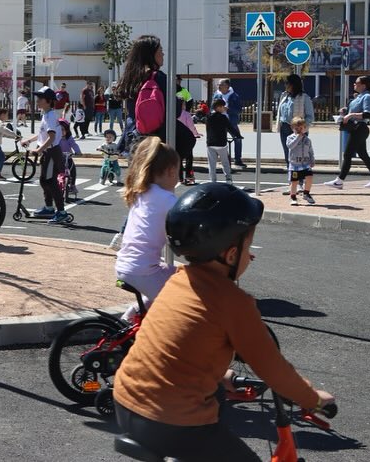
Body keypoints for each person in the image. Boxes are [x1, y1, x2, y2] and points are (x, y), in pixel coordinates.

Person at [113, 183, 334, 461]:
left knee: (215, 398)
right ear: (230, 255)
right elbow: (273, 368)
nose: (251, 255)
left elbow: (173, 345)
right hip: (172, 422)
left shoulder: (178, 281)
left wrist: (221, 375)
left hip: (126, 402)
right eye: (248, 246)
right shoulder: (234, 303)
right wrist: (313, 399)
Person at [114, 137, 180, 320]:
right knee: (181, 296)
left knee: (173, 280)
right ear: (171, 171)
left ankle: (124, 324)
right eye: (178, 173)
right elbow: (186, 224)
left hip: (127, 265)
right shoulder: (168, 200)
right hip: (142, 271)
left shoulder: (142, 192)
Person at [114, 35, 197, 164]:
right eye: (160, 51)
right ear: (151, 54)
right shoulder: (159, 78)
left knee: (139, 180)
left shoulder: (131, 78)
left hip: (134, 138)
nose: (163, 54)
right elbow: (175, 110)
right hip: (158, 139)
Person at [324, 76, 370, 190]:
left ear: (363, 85)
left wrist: (351, 115)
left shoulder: (367, 97)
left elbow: (368, 114)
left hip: (359, 128)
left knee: (347, 154)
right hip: (356, 128)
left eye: (356, 83)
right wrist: (345, 111)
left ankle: (339, 181)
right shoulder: (359, 97)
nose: (354, 85)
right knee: (363, 155)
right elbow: (354, 110)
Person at [20, 86, 69, 225]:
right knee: (44, 180)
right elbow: (43, 134)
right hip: (48, 151)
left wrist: (39, 149)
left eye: (40, 99)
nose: (37, 101)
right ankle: (49, 207)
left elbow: (52, 137)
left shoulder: (51, 116)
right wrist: (29, 141)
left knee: (51, 182)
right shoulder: (46, 115)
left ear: (48, 101)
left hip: (52, 152)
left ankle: (61, 212)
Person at [276, 73, 315, 165]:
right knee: (287, 154)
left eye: (287, 83)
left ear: (293, 84)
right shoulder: (284, 96)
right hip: (284, 128)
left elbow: (310, 117)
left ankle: (299, 177)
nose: (285, 85)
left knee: (298, 155)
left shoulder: (305, 98)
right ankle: (291, 176)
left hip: (298, 130)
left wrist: (302, 128)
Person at [211, 78, 245, 169]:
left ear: (227, 86)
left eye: (221, 84)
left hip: (231, 122)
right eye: (218, 84)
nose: (219, 86)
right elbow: (212, 107)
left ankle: (238, 159)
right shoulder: (216, 95)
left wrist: (228, 110)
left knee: (237, 139)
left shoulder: (234, 96)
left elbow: (239, 110)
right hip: (219, 122)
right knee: (220, 141)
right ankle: (225, 159)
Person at [205, 98, 241, 184]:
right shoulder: (223, 117)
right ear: (218, 107)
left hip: (210, 143)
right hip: (221, 144)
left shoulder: (209, 117)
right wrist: (238, 135)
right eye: (222, 106)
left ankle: (213, 181)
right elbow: (230, 128)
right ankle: (228, 179)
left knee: (212, 164)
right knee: (225, 162)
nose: (224, 108)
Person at [287, 117, 315, 205]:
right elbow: (290, 146)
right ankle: (293, 197)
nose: (299, 130)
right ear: (292, 128)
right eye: (296, 128)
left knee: (309, 178)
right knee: (294, 182)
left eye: (301, 128)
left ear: (304, 128)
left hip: (306, 164)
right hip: (295, 164)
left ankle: (306, 193)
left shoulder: (307, 140)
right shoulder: (290, 138)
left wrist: (312, 160)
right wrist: (298, 137)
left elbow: (310, 151)